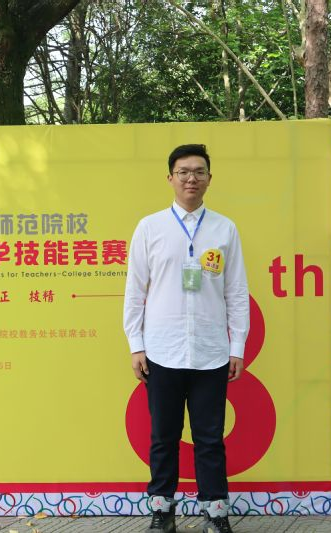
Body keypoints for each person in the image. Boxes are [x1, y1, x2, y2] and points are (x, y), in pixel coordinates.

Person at [123, 144, 249, 533]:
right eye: (183, 172)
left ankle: (216, 512)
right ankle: (163, 511)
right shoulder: (150, 228)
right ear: (170, 178)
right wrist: (136, 344)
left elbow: (236, 292)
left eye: (198, 171)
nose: (191, 178)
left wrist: (237, 346)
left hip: (211, 352)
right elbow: (135, 291)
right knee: (163, 437)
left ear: (209, 178)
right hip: (162, 351)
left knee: (210, 439)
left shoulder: (225, 229)